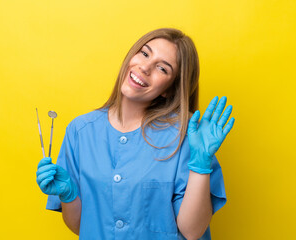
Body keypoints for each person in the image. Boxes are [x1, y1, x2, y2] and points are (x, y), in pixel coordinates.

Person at [36, 28, 235, 240]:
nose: (145, 67)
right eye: (145, 53)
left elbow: (192, 231)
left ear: (169, 89)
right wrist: (69, 196)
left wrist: (201, 165)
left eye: (162, 68)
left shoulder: (187, 137)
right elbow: (80, 226)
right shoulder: (80, 131)